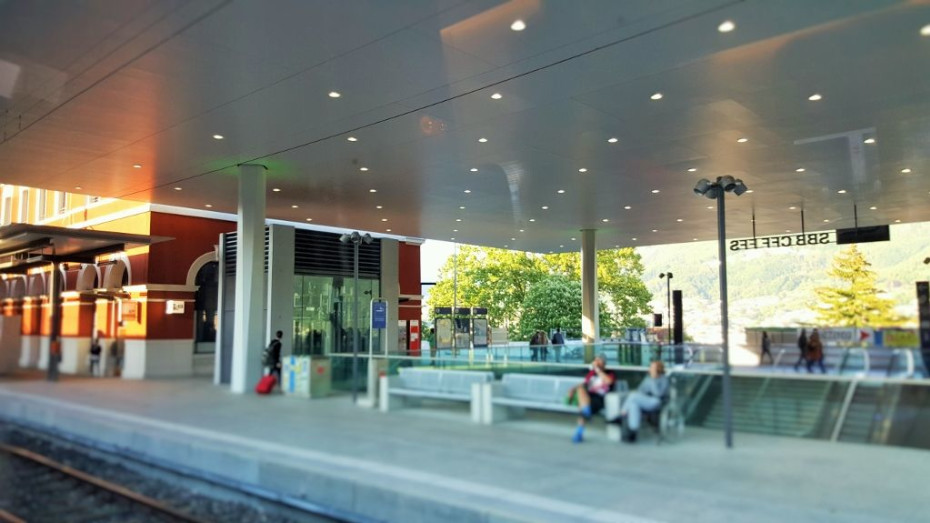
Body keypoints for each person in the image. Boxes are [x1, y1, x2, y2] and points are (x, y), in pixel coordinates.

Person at [619, 360, 670, 443]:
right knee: (633, 404)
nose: (650, 368)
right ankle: (633, 432)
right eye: (651, 367)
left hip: (657, 401)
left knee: (633, 395)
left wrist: (653, 380)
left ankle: (621, 414)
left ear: (658, 368)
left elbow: (658, 394)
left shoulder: (664, 379)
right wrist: (643, 393)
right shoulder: (648, 378)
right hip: (646, 400)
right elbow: (640, 390)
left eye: (653, 367)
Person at [569, 353, 615, 443]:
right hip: (589, 397)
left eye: (599, 360)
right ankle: (586, 414)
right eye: (595, 360)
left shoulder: (610, 373)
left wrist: (597, 370)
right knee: (580, 392)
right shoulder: (591, 373)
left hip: (600, 399)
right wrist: (573, 389)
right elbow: (584, 383)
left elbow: (609, 382)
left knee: (582, 406)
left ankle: (579, 432)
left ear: (604, 362)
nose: (596, 362)